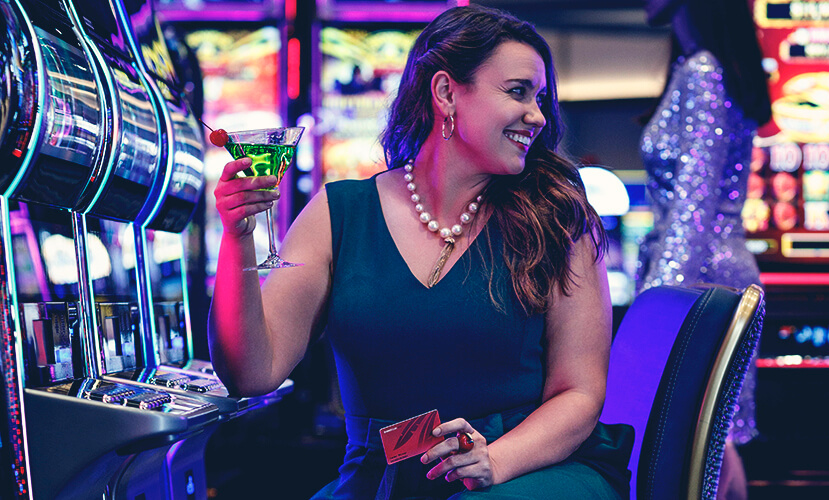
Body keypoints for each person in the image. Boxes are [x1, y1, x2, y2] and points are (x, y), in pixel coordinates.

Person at [208, 5, 633, 499]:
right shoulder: (340, 212)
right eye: (518, 92)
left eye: (540, 98)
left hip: (530, 469)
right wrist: (238, 237)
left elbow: (579, 395)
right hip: (386, 477)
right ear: (447, 93)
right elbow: (252, 373)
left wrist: (494, 459)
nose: (537, 115)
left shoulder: (557, 218)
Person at [635, 1, 771, 499]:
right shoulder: (699, 65)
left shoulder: (704, 69)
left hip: (700, 278)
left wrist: (653, 306)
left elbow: (694, 204)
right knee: (713, 443)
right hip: (711, 274)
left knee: (704, 447)